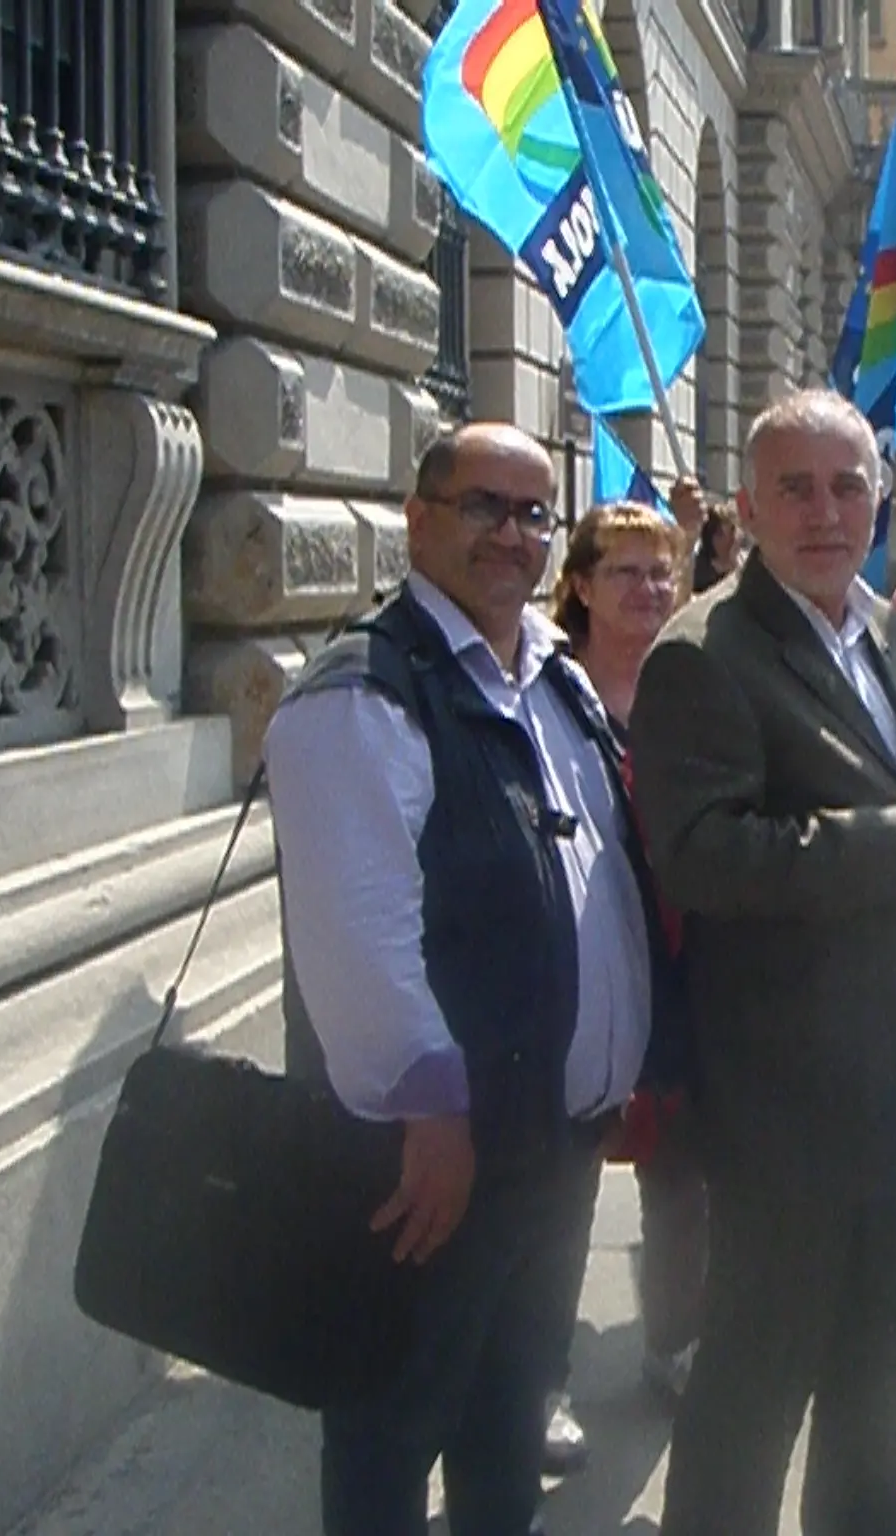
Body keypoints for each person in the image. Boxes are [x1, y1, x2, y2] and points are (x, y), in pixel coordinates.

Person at [264, 423, 654, 1536]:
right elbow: (358, 936)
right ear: (419, 518)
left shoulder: (547, 674)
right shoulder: (363, 693)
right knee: (392, 1422)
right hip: (436, 1157)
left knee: (506, 1418)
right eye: (484, 507)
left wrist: (621, 1061)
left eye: (535, 513)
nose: (512, 535)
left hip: (550, 1138)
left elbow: (591, 870)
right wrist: (428, 1114)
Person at [628, 388, 896, 1536]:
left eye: (846, 487)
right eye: (793, 487)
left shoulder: (880, 626)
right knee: (753, 1391)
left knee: (891, 1387)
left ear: (878, 504)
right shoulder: (704, 651)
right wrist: (893, 842)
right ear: (747, 504)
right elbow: (696, 853)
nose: (823, 511)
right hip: (793, 1110)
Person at [532, 502, 707, 1474]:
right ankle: (537, 1377)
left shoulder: (693, 689)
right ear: (582, 584)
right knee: (557, 1188)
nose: (647, 588)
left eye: (660, 571)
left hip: (678, 970)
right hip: (575, 975)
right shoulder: (546, 696)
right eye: (626, 570)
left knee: (680, 1176)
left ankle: (672, 1344)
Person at [692, 500, 743, 593]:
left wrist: (734, 563)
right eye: (720, 534)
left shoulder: (743, 562)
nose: (728, 540)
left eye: (731, 532)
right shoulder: (700, 570)